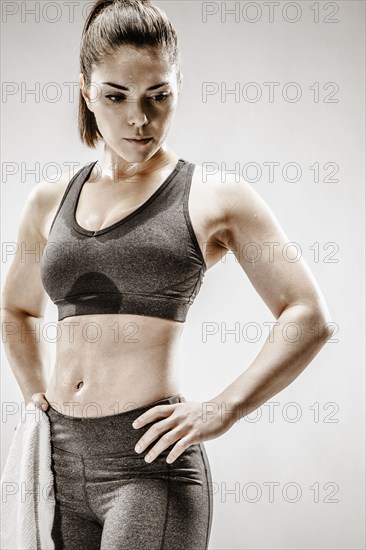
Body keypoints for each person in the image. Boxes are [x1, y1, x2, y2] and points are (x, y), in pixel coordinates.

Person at [1, 0, 334, 548]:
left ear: (178, 84)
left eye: (159, 96)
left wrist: (224, 409)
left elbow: (308, 315)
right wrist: (35, 391)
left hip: (149, 466)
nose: (139, 118)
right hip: (59, 464)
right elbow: (15, 306)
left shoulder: (214, 197)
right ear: (86, 90)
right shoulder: (48, 201)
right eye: (116, 96)